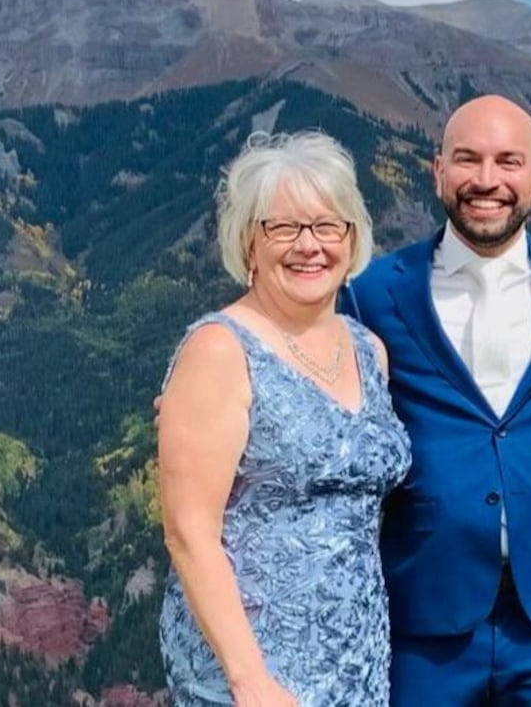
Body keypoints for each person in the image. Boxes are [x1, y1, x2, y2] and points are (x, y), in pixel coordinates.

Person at [344, 94, 531, 705]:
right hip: (426, 604)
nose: (486, 181)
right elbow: (309, 369)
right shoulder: (374, 290)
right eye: (467, 159)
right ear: (437, 171)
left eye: (508, 162)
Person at [158, 130, 412, 706]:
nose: (309, 245)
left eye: (328, 225)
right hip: (253, 673)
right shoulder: (220, 350)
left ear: (353, 239)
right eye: (283, 227)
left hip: (357, 662)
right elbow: (188, 531)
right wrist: (252, 683)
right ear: (249, 241)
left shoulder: (368, 349)